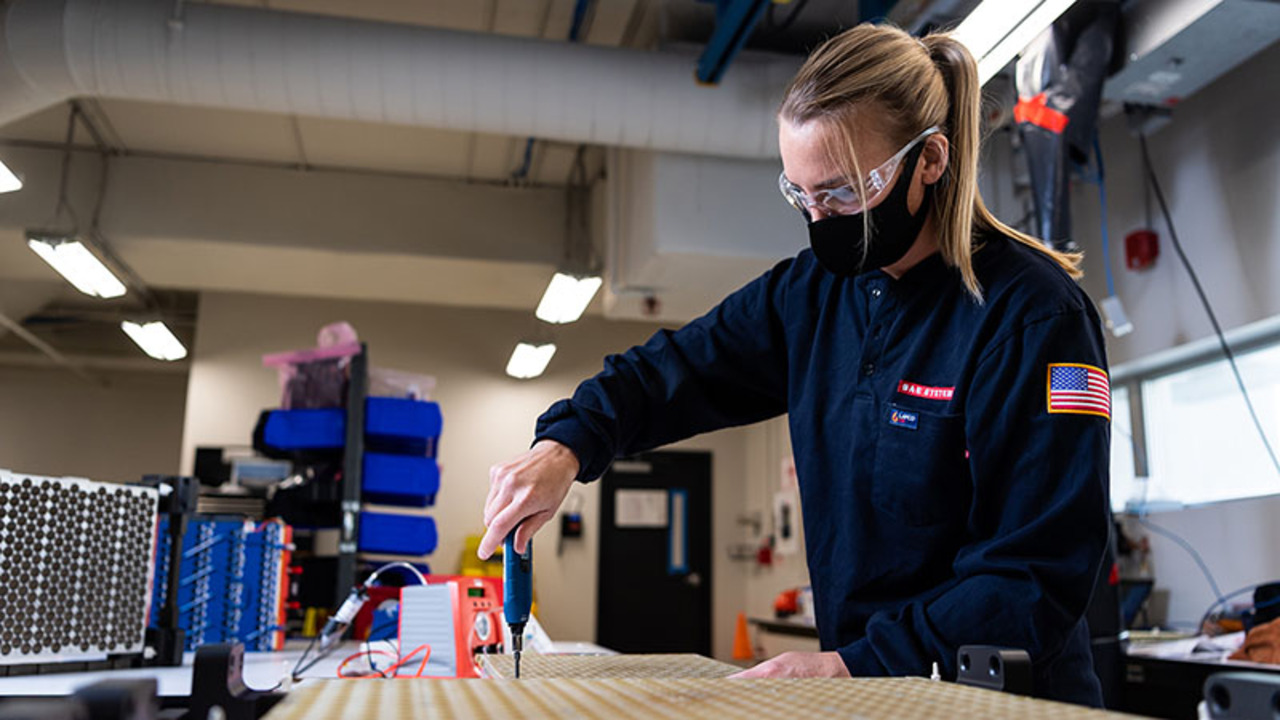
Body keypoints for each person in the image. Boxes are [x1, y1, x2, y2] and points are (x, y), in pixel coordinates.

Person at [479, 23, 1111, 707]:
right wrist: (566, 444)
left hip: (999, 700)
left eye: (841, 192)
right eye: (801, 195)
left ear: (929, 160)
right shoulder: (809, 296)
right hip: (870, 694)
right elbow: (671, 372)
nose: (819, 217)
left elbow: (1034, 573)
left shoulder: (1033, 318)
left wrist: (854, 665)